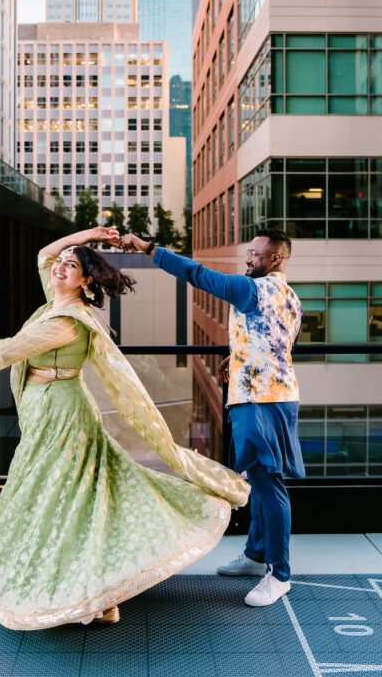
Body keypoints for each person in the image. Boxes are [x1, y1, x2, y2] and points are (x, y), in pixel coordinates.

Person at [0, 226, 248, 630]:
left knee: (68, 501)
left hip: (64, 415)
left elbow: (5, 351)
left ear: (86, 280)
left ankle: (95, 593)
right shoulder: (55, 301)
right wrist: (91, 234)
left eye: (72, 266)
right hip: (47, 411)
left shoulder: (68, 321)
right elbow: (44, 253)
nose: (60, 267)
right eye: (61, 264)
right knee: (71, 499)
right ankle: (99, 592)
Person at [120, 228, 303, 608]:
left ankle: (280, 574)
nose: (248, 259)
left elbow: (198, 275)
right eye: (249, 253)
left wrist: (148, 249)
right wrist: (236, 357)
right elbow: (276, 344)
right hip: (274, 396)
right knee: (258, 478)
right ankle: (255, 556)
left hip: (260, 401)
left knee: (269, 484)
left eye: (255, 254)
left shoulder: (251, 290)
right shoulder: (291, 298)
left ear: (276, 259)